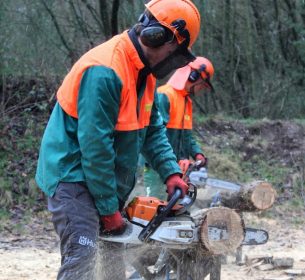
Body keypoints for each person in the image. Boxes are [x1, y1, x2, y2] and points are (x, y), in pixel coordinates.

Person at [35, 0, 201, 279]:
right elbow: (95, 148)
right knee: (83, 261)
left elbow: (153, 130)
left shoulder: (144, 73)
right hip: (72, 175)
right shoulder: (105, 70)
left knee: (112, 265)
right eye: (173, 50)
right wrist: (108, 208)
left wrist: (170, 171)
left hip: (103, 181)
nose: (172, 58)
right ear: (157, 36)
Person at [144, 56, 214, 199]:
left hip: (175, 168)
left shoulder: (186, 101)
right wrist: (174, 161)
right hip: (158, 166)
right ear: (193, 76)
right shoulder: (165, 95)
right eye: (202, 84)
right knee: (156, 204)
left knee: (175, 208)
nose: (201, 90)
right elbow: (156, 135)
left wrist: (197, 154)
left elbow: (187, 137)